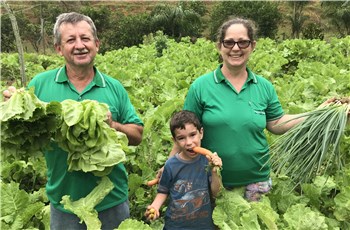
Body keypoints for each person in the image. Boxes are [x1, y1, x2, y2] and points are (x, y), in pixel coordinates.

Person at [159, 17, 335, 202]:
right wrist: (170, 166)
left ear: (253, 46)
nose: (236, 48)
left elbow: (277, 122)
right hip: (212, 181)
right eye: (229, 42)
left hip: (257, 182)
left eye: (243, 42)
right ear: (219, 46)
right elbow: (185, 131)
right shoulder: (201, 86)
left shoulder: (264, 86)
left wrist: (317, 114)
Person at [3, 12, 143, 229]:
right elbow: (26, 132)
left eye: (85, 38)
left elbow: (137, 135)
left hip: (111, 202)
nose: (80, 45)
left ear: (96, 44)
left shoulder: (114, 87)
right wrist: (15, 106)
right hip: (63, 203)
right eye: (71, 40)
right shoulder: (40, 84)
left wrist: (112, 126)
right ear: (59, 48)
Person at [145, 110, 222, 230]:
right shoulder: (171, 165)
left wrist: (214, 171)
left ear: (201, 133)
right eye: (181, 138)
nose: (189, 143)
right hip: (175, 226)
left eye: (192, 135)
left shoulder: (207, 161)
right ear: (174, 141)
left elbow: (216, 193)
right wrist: (154, 207)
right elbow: (163, 191)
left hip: (203, 226)